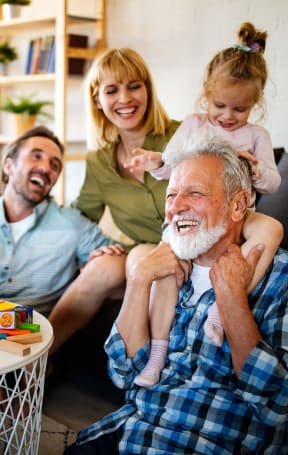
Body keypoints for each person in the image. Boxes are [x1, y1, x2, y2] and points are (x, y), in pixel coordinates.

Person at [64, 137, 288, 455]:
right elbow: (123, 372)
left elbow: (278, 406)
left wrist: (233, 300)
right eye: (171, 194)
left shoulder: (279, 278)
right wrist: (140, 278)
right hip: (133, 433)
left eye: (194, 193)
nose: (176, 206)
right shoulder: (165, 265)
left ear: (239, 205)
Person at [125, 22, 283, 387]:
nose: (228, 116)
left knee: (271, 229)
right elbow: (170, 163)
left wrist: (255, 167)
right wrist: (153, 163)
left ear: (255, 104)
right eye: (220, 105)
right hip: (192, 222)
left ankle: (221, 306)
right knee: (167, 273)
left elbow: (273, 183)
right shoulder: (195, 125)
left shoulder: (256, 135)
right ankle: (158, 355)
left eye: (240, 109)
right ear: (205, 96)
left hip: (238, 216)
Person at [48, 47, 180, 358]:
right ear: (97, 100)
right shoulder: (99, 162)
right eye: (112, 90)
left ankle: (139, 368)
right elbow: (80, 216)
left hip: (189, 250)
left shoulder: (183, 136)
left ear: (147, 88)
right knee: (100, 267)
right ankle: (35, 363)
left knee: (140, 261)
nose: (125, 99)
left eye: (134, 85)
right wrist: (88, 250)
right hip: (142, 255)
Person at [0, 125, 123, 320]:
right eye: (36, 156)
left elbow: (123, 265)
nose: (46, 168)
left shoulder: (72, 223)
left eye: (54, 165)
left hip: (34, 335)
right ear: (9, 166)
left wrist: (102, 261)